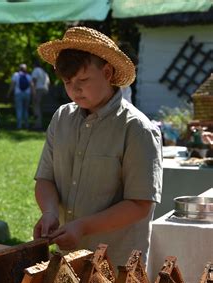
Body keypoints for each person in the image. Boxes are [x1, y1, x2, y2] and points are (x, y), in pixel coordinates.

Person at [33, 27, 163, 267]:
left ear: (107, 72)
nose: (75, 89)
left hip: (117, 263)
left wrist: (82, 227)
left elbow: (140, 204)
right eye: (68, 82)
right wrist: (50, 212)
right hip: (67, 260)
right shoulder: (62, 118)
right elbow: (45, 179)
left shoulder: (137, 129)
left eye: (83, 80)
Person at [7, 64, 34, 129]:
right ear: (25, 69)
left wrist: (9, 93)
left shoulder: (16, 75)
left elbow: (12, 85)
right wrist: (34, 94)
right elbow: (32, 86)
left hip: (18, 94)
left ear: (19, 68)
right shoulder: (28, 76)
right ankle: (26, 125)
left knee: (19, 109)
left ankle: (19, 126)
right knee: (26, 109)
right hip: (27, 94)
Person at [31, 60, 50, 130]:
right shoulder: (44, 72)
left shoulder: (36, 70)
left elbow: (33, 82)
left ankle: (37, 125)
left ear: (34, 65)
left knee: (36, 107)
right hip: (45, 90)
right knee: (40, 108)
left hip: (38, 90)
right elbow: (48, 82)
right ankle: (40, 124)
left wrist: (34, 93)